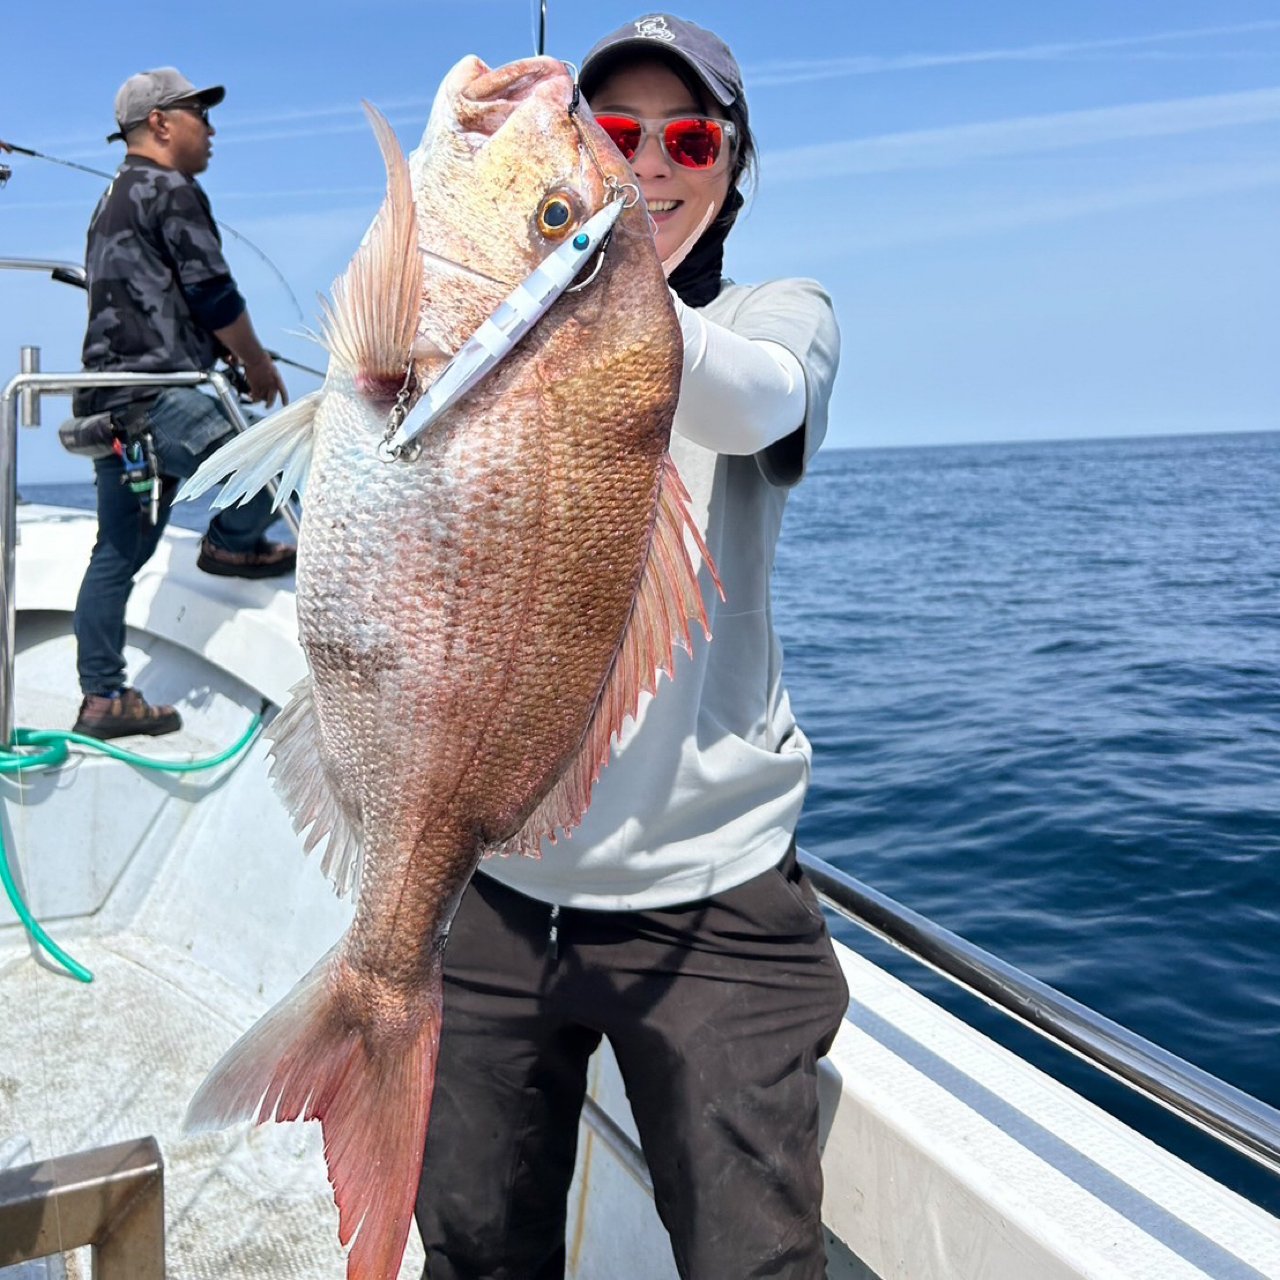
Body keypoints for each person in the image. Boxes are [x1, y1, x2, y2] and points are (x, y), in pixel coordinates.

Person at [414, 14, 845, 1279]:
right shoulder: (494, 324)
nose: (649, 162)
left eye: (688, 136)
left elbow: (758, 392)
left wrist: (575, 263)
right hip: (498, 883)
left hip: (712, 898)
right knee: (473, 1248)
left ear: (732, 165)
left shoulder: (781, 314)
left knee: (752, 1260)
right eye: (612, 133)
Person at [69, 67, 296, 740]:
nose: (212, 127)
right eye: (199, 113)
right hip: (161, 396)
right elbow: (212, 293)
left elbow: (149, 301)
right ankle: (230, 547)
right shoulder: (173, 188)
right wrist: (254, 363)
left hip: (109, 405)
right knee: (274, 468)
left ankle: (103, 699)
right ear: (162, 123)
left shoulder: (113, 195)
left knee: (115, 556)